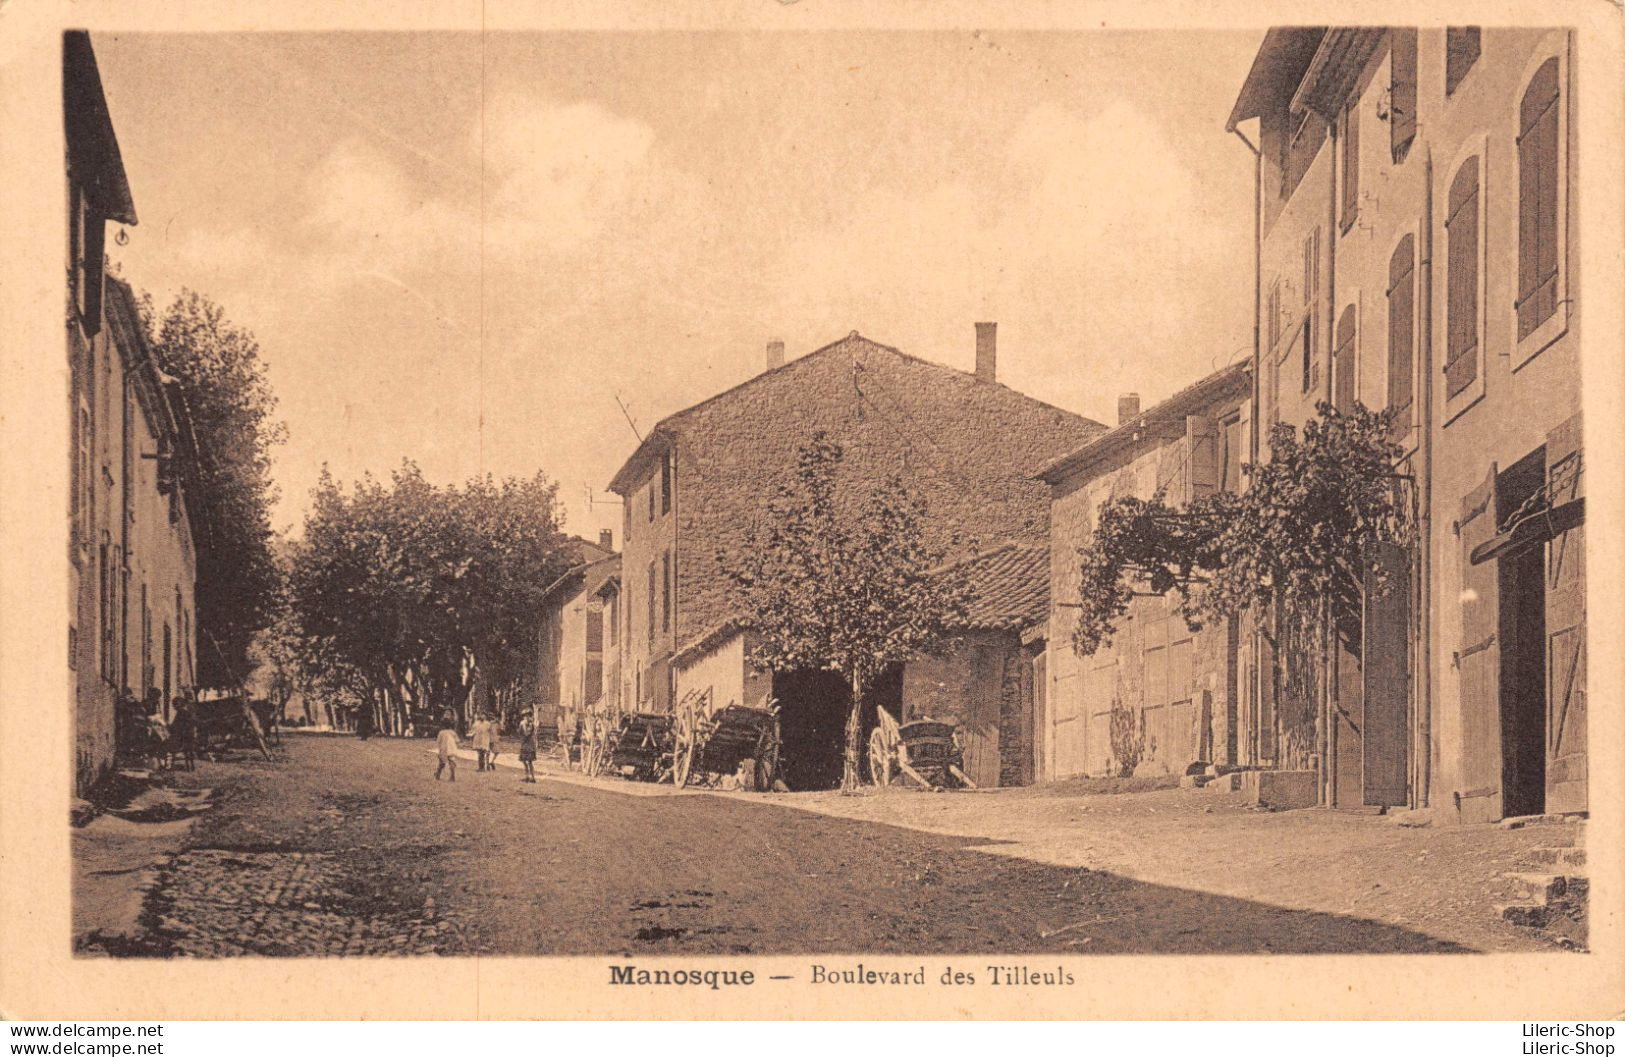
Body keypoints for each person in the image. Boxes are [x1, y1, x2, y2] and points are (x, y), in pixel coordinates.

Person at [434, 717, 459, 782]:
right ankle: (452, 776)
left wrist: (439, 750)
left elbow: (438, 742)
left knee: (442, 762)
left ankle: (438, 774)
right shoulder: (452, 732)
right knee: (452, 762)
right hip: (452, 749)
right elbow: (457, 740)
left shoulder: (441, 733)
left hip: (444, 749)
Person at [517, 714, 537, 783]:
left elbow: (527, 733)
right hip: (525, 744)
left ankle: (532, 777)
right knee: (524, 761)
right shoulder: (523, 723)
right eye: (525, 716)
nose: (527, 717)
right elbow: (520, 732)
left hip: (529, 744)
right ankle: (527, 776)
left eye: (528, 716)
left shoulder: (531, 724)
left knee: (529, 761)